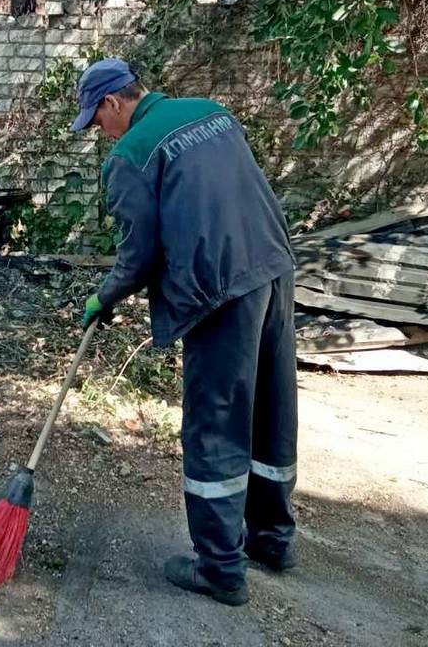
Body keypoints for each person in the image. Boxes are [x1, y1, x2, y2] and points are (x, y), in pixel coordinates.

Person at [72, 58, 299, 606]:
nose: (100, 134)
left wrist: (103, 297)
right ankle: (272, 539)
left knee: (216, 422)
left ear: (112, 103)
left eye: (96, 121)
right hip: (272, 269)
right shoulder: (212, 113)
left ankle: (221, 567)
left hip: (216, 292)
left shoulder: (131, 155)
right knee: (270, 411)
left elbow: (139, 255)